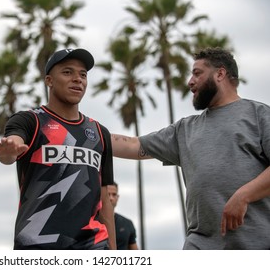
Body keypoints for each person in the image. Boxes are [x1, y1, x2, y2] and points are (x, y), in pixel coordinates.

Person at [111, 47, 270, 250]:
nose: (190, 82)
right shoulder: (184, 129)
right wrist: (85, 132)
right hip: (199, 245)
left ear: (220, 74)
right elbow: (134, 145)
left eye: (197, 73)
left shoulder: (258, 115)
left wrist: (244, 195)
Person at [0, 48, 116, 250]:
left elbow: (105, 198)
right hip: (38, 245)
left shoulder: (100, 132)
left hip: (93, 246)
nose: (77, 79)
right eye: (67, 72)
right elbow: (13, 144)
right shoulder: (31, 120)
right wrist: (9, 152)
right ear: (49, 81)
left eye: (83, 74)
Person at [107, 182, 138, 250]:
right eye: (107, 194)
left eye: (114, 194)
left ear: (117, 197)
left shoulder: (127, 223)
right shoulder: (92, 222)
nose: (111, 198)